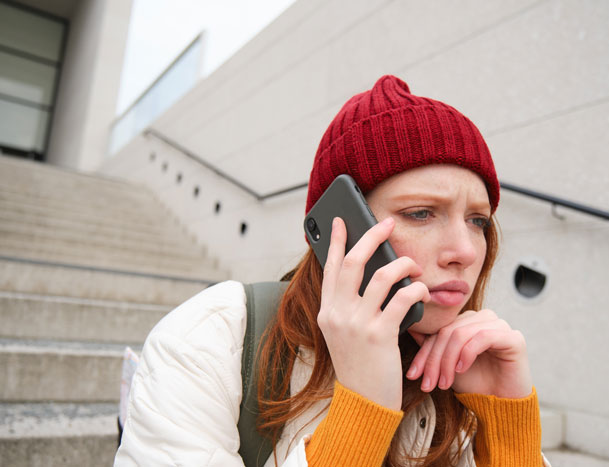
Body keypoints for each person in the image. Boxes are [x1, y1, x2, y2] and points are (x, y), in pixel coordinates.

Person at [115, 75, 549, 466]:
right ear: (341, 224)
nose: (465, 251)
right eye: (421, 213)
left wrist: (507, 427)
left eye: (477, 221)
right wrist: (360, 410)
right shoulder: (210, 338)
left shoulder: (463, 374)